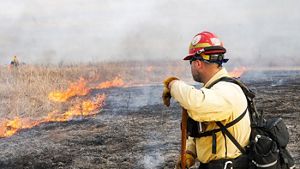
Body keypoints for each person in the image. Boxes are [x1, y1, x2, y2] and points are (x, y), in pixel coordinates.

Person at [162, 31, 251, 169]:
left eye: (191, 62)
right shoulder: (216, 91)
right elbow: (206, 127)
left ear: (198, 63)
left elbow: (196, 104)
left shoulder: (226, 91)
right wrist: (190, 153)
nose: (190, 67)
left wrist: (173, 84)